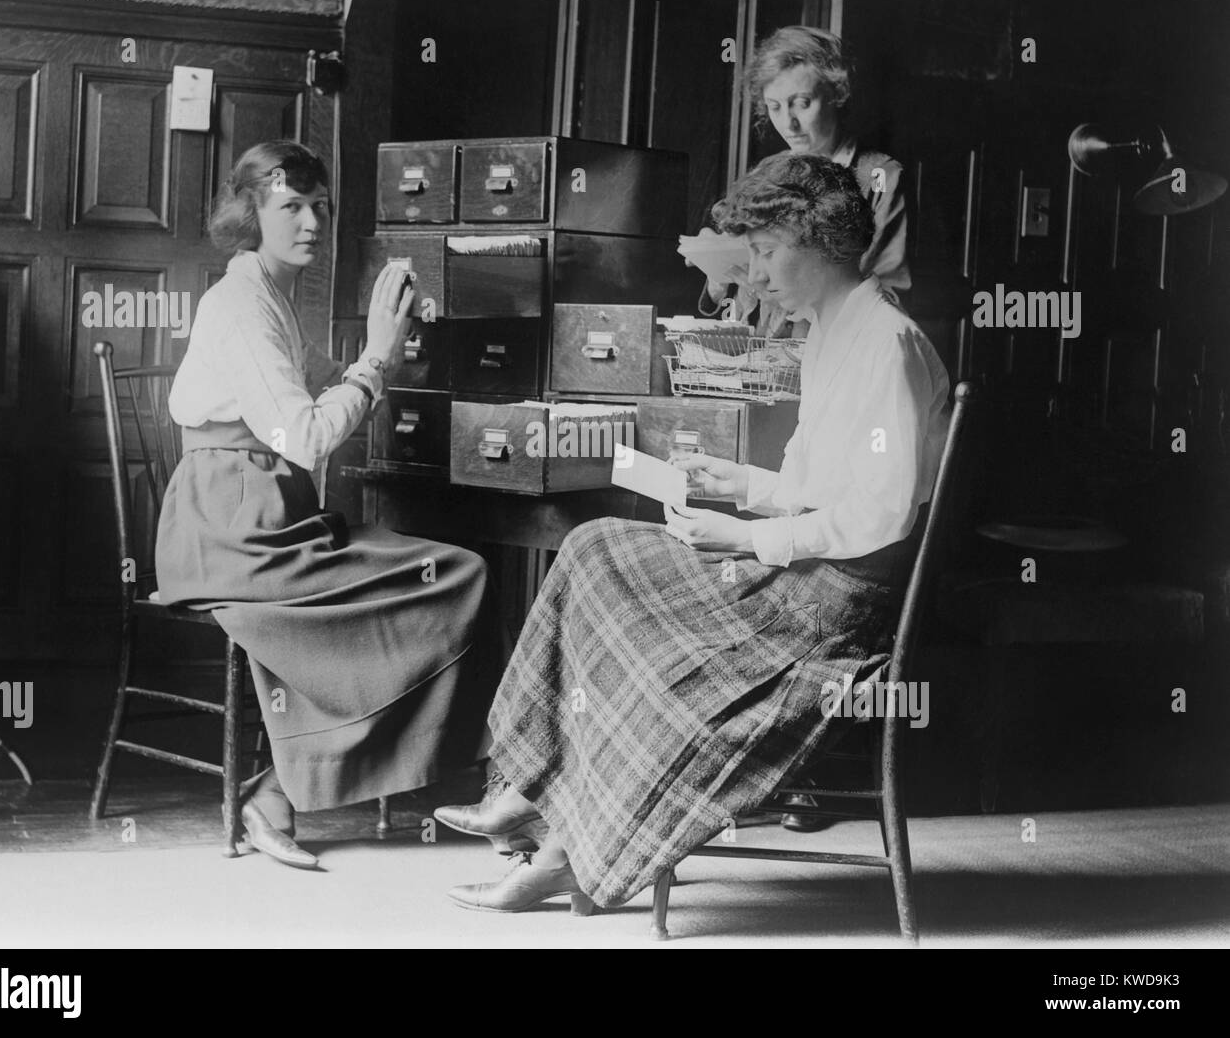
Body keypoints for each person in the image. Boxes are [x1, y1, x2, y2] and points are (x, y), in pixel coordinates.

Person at [434, 155, 950, 913]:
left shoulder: (887, 343)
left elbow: (882, 515)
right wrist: (738, 486)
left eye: (768, 251)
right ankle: (535, 792)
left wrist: (743, 540)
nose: (757, 270)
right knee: (593, 550)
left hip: (838, 607)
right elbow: (819, 487)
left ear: (823, 242)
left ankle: (561, 844)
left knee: (617, 589)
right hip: (809, 575)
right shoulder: (831, 335)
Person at [156, 140, 497, 870]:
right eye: (291, 207)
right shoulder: (240, 303)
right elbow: (305, 434)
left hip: (268, 517)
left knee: (454, 573)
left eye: (321, 206)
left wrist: (392, 347)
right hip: (231, 531)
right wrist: (376, 358)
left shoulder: (270, 294)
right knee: (449, 577)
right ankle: (283, 788)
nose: (312, 221)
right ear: (252, 213)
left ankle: (288, 782)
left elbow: (315, 392)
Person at [700, 25, 910, 336]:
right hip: (767, 362)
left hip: (836, 357)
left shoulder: (879, 176)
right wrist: (718, 276)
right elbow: (742, 302)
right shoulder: (767, 175)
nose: (788, 122)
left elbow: (889, 297)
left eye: (802, 102)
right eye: (774, 107)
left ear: (836, 94)